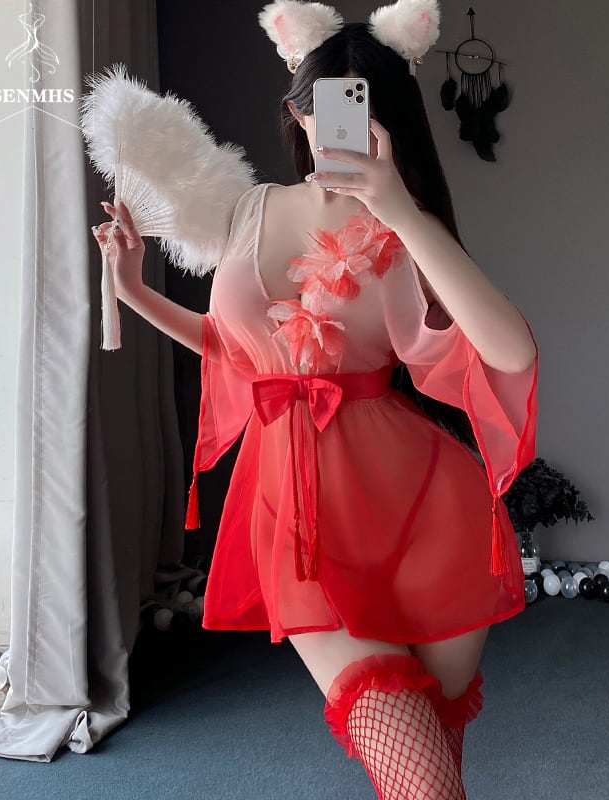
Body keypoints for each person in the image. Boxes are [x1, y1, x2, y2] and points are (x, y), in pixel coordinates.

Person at [92, 2, 538, 797]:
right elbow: (240, 350)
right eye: (321, 105)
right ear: (297, 112)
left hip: (427, 516)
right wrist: (134, 292)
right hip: (296, 521)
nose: (334, 124)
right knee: (421, 777)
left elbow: (511, 353)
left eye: (361, 107)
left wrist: (397, 208)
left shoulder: (409, 227)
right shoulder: (252, 208)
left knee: (432, 772)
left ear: (390, 120)